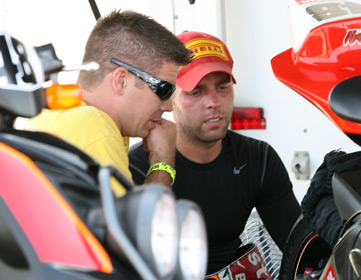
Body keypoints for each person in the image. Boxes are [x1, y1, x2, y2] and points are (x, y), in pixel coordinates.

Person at [128, 31, 302, 276]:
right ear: (169, 100)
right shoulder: (136, 165)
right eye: (196, 92)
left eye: (223, 87)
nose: (214, 102)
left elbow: (301, 251)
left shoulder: (258, 158)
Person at [24, 10, 192, 196]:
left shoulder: (59, 114)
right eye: (163, 90)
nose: (168, 106)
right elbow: (142, 224)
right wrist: (162, 162)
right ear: (121, 81)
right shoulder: (94, 126)